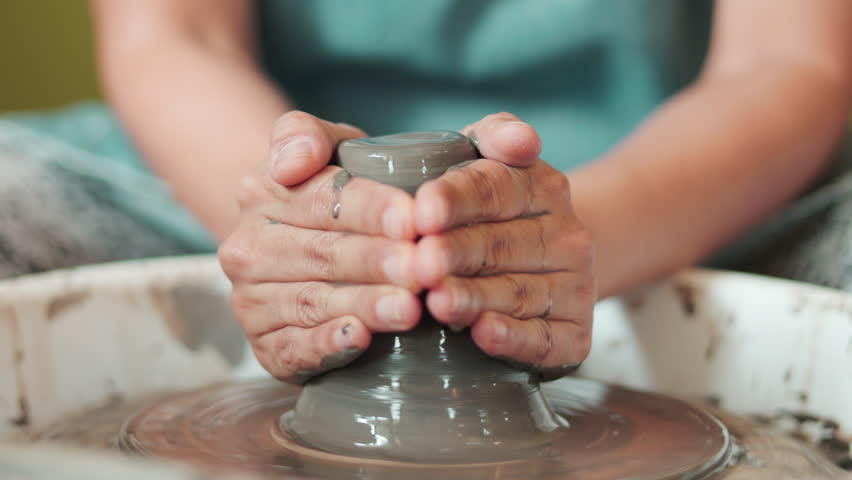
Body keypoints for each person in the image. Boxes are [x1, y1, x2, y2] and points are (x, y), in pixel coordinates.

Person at [2, 1, 850, 381]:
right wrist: (295, 225)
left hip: (676, 189)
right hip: (242, 171)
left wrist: (557, 245)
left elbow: (788, 60)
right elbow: (172, 36)